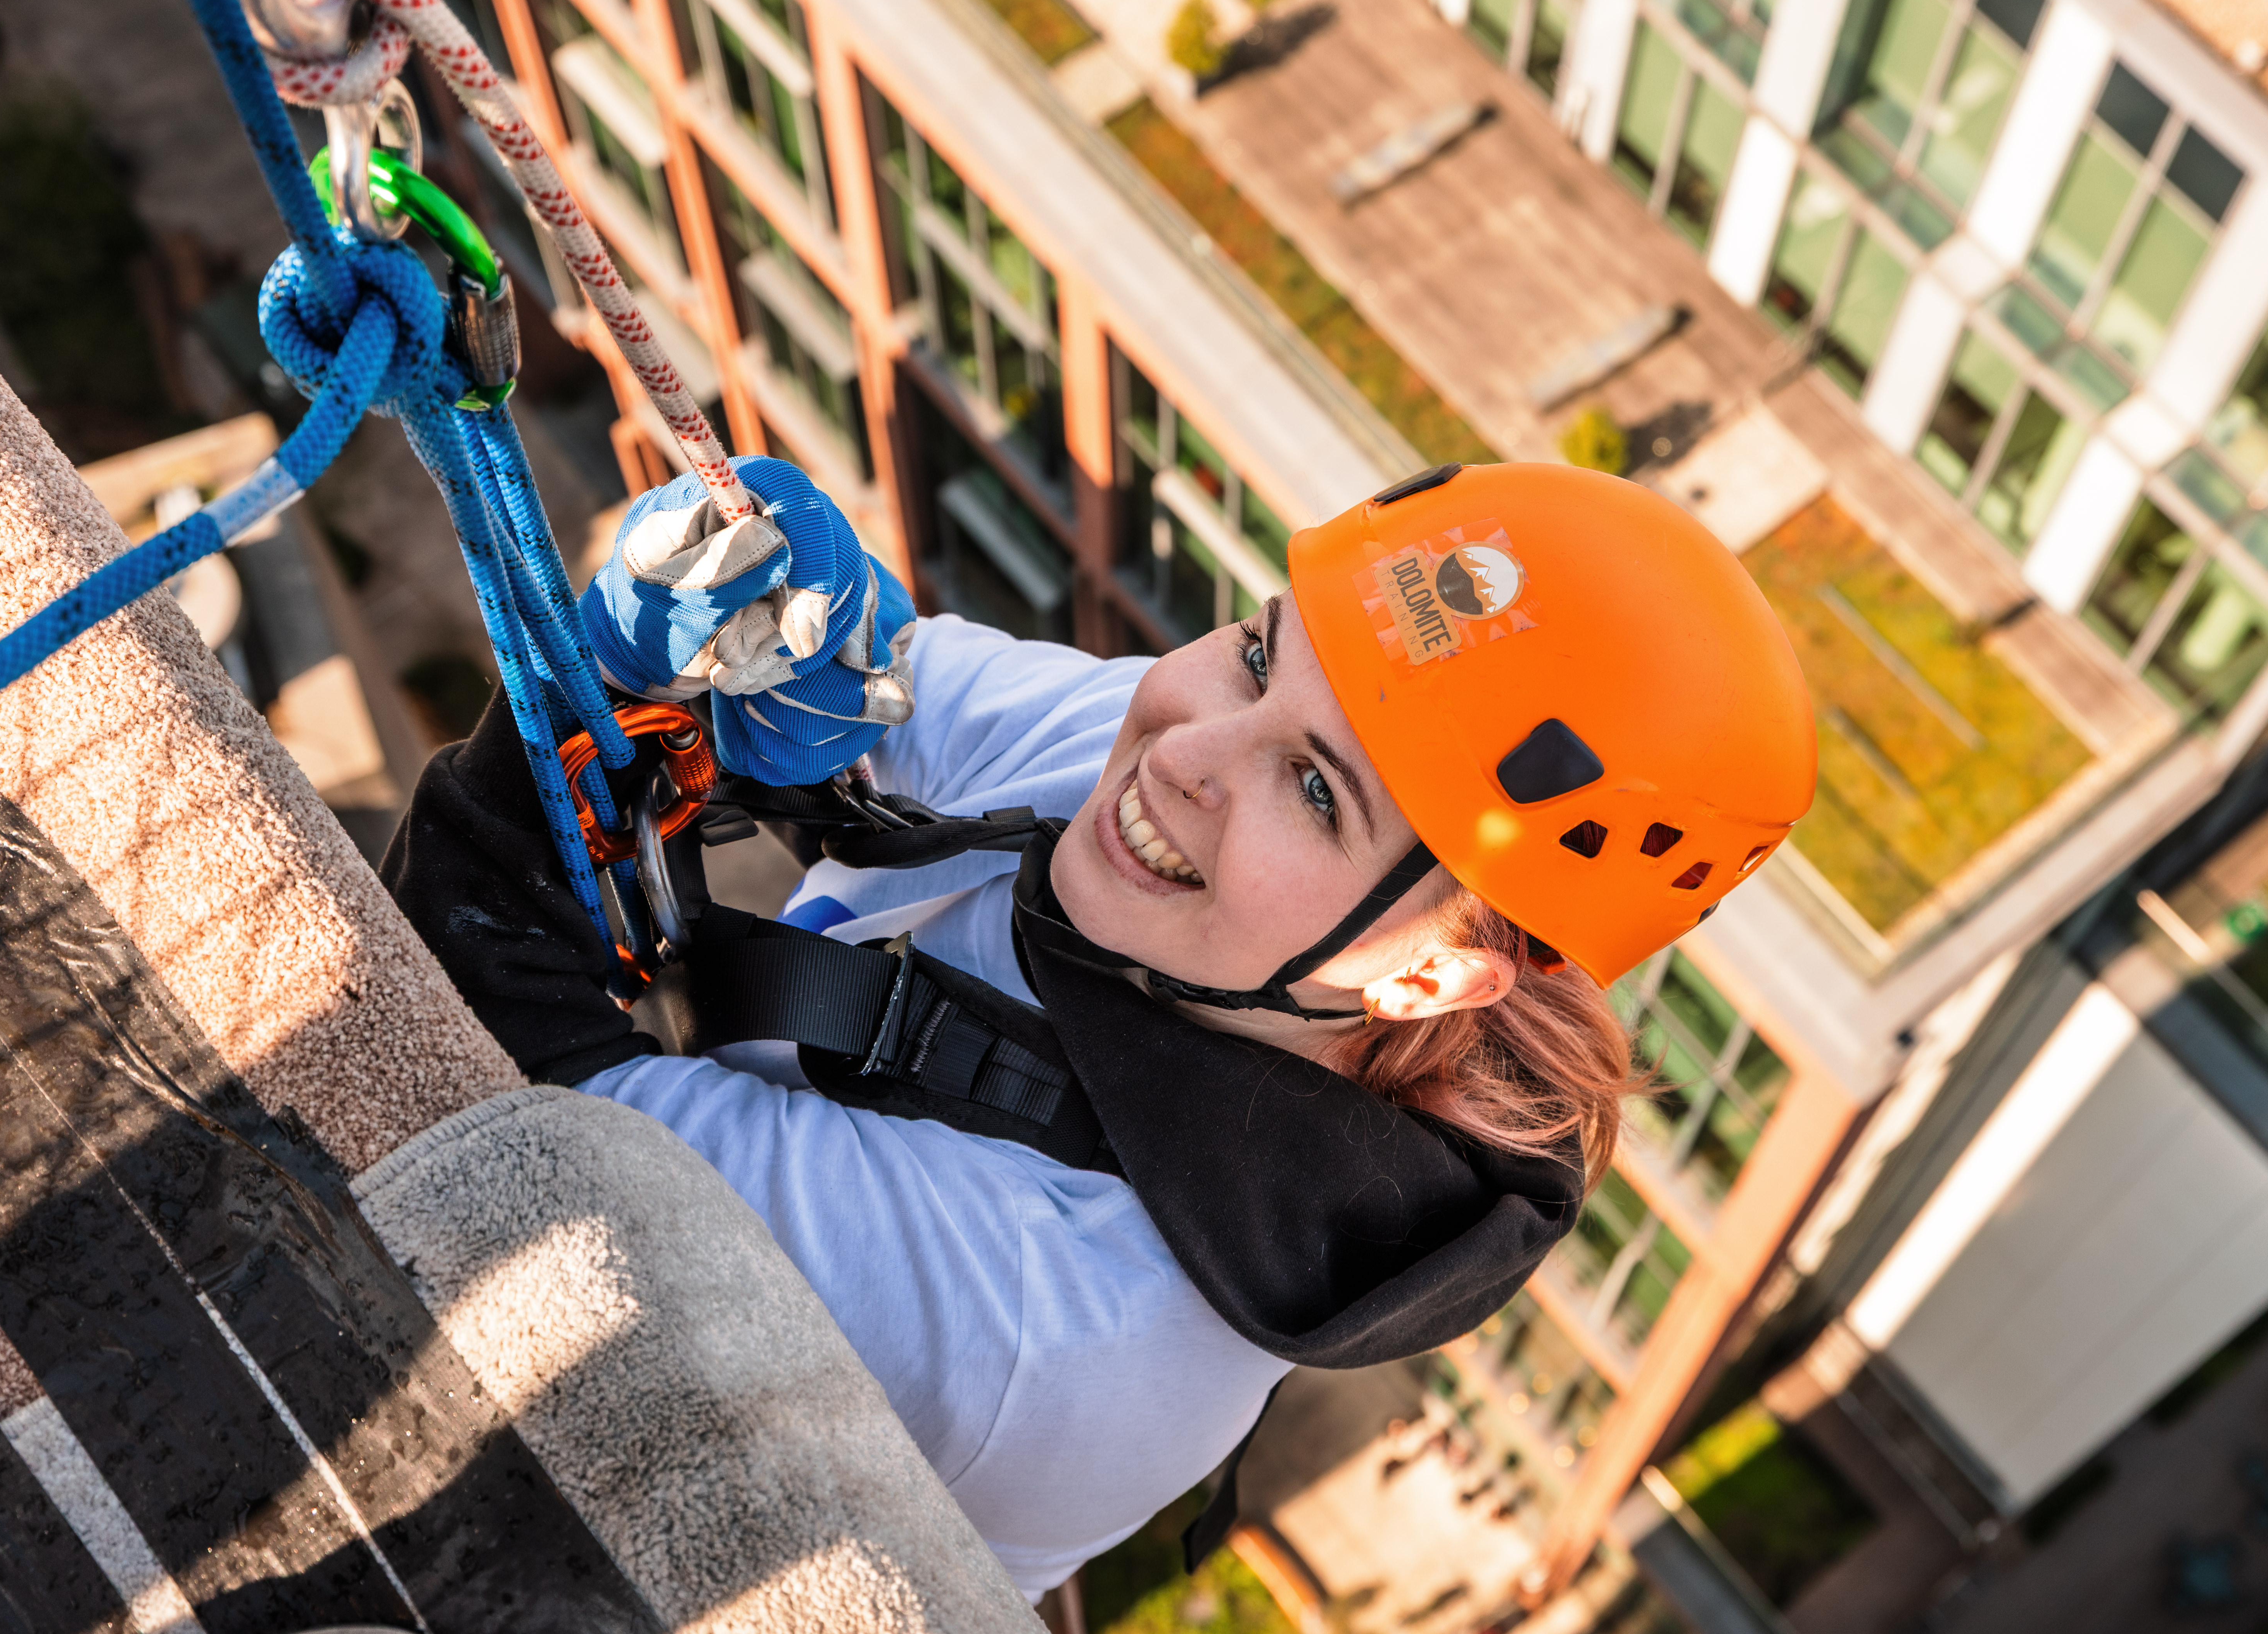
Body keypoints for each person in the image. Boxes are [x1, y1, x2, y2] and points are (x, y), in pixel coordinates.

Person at [382, 456, 1816, 1599]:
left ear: (1426, 981)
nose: (1175, 749)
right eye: (1259, 654)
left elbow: (481, 1085)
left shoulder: (1040, 1318)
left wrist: (576, 717)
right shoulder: (1188, 793)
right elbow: (891, 684)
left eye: (1317, 793)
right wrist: (792, 619)